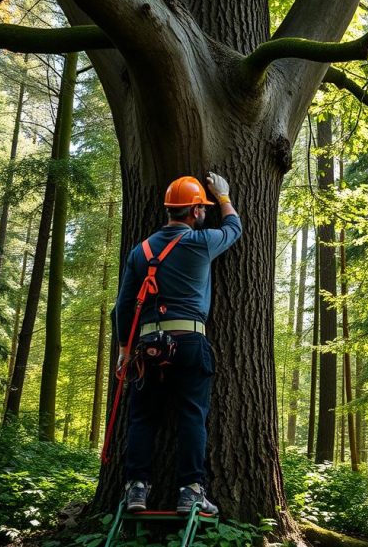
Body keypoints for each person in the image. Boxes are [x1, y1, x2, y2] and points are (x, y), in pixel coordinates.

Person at [113, 172, 242, 514]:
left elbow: (123, 307)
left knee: (143, 418)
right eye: (203, 207)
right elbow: (234, 229)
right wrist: (224, 197)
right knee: (191, 416)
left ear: (170, 210)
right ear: (197, 211)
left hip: (146, 347)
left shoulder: (140, 252)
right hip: (188, 342)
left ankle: (136, 489)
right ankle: (190, 491)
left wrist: (125, 350)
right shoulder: (200, 243)